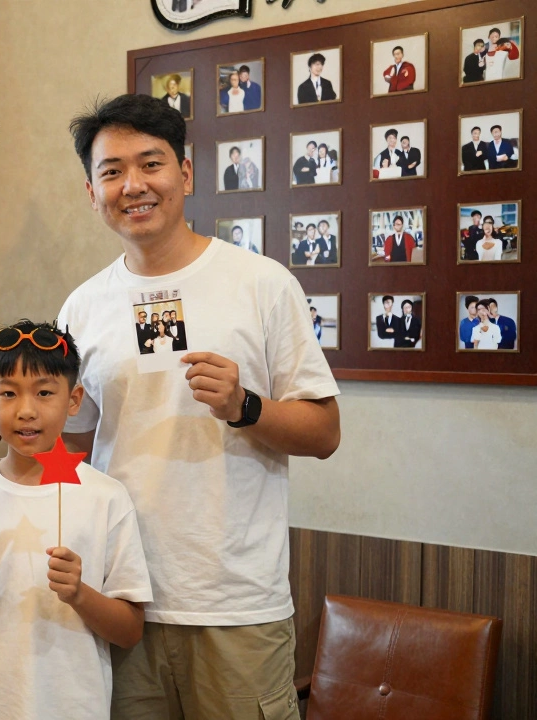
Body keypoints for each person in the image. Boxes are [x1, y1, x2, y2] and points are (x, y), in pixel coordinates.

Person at [62, 94, 340, 720]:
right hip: (122, 600)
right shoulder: (82, 308)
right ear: (91, 190)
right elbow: (72, 450)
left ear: (185, 174)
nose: (132, 185)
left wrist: (245, 405)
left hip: (235, 605)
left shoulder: (262, 283)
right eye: (111, 172)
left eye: (150, 164)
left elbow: (324, 431)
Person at [0, 319, 152, 719]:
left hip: (72, 705)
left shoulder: (106, 498)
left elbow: (130, 631)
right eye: (8, 393)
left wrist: (80, 593)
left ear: (74, 399)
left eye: (45, 392)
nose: (27, 410)